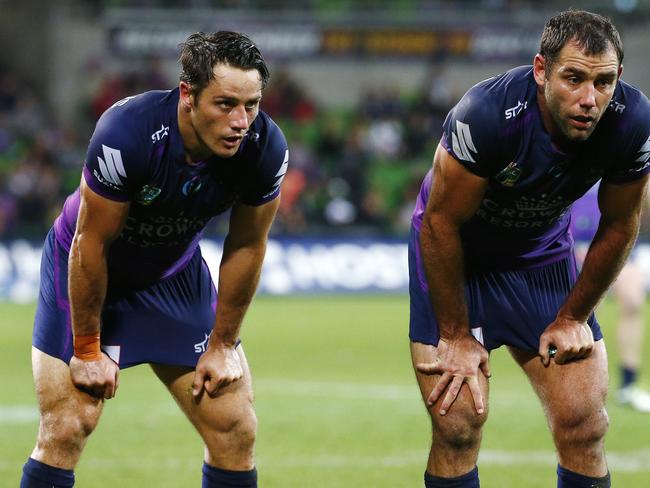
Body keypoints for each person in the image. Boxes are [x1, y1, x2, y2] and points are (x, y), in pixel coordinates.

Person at [21, 31, 288, 488]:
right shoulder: (128, 132)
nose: (242, 121)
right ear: (188, 94)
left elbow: (247, 245)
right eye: (225, 104)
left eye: (252, 104)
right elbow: (91, 244)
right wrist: (86, 349)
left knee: (234, 428)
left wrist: (224, 344)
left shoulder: (264, 147)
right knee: (67, 427)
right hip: (88, 271)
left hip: (172, 275)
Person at [408, 9, 650, 488]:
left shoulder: (632, 122)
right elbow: (439, 224)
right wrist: (455, 335)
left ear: (618, 77)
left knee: (585, 423)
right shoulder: (487, 115)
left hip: (541, 260)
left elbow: (621, 223)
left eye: (603, 83)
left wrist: (574, 317)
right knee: (457, 427)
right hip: (459, 262)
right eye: (573, 78)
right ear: (541, 71)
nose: (588, 99)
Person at [571, 184, 650, 412]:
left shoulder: (627, 151)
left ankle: (628, 385)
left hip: (614, 238)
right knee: (584, 313)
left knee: (633, 300)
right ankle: (579, 385)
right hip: (572, 242)